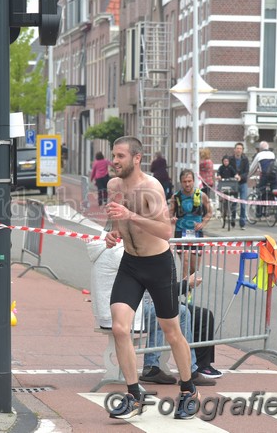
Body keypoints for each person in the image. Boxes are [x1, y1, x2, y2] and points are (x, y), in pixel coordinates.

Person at [105, 136, 199, 420]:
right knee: (120, 328)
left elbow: (165, 232)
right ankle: (134, 394)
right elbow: (117, 222)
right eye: (113, 155)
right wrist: (112, 233)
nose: (115, 161)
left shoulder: (151, 187)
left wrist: (130, 215)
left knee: (171, 331)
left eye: (120, 156)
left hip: (158, 264)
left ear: (136, 158)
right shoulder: (113, 186)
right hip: (131, 263)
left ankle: (188, 390)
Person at [140, 274, 218, 386]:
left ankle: (151, 366)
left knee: (166, 312)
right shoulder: (145, 258)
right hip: (134, 311)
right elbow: (162, 292)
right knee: (181, 312)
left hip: (136, 308)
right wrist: (186, 284)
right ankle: (189, 370)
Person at [169, 169, 212, 278]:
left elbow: (210, 212)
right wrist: (172, 218)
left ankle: (189, 286)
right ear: (181, 182)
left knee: (194, 268)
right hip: (180, 232)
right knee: (185, 261)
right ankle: (185, 291)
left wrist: (202, 223)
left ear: (193, 181)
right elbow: (169, 214)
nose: (187, 184)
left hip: (196, 233)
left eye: (189, 181)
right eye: (184, 181)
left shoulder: (201, 195)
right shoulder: (176, 197)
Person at [249, 141, 277, 225]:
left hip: (264, 177)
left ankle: (258, 214)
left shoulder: (259, 155)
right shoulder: (272, 154)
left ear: (260, 148)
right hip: (274, 177)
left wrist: (247, 176)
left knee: (260, 193)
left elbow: (253, 168)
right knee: (275, 194)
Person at [228, 142, 250, 229]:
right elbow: (228, 169)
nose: (238, 150)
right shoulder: (230, 159)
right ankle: (233, 219)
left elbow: (247, 171)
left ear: (242, 150)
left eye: (240, 149)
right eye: (237, 148)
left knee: (243, 202)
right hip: (234, 183)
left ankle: (242, 223)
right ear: (234, 150)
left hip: (243, 183)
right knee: (233, 202)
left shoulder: (245, 159)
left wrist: (241, 177)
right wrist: (234, 176)